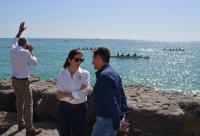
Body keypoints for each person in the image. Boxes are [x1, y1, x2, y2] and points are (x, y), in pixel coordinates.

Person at [10, 22, 42, 136]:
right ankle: (29, 129)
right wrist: (31, 51)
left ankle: (20, 123)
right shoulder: (26, 52)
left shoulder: (12, 48)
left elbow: (15, 39)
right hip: (23, 82)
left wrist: (20, 30)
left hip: (14, 80)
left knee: (19, 102)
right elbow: (35, 63)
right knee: (29, 104)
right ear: (25, 45)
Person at [91, 47, 129, 136]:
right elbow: (122, 95)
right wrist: (124, 114)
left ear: (98, 58)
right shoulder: (113, 72)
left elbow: (112, 102)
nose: (92, 62)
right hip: (110, 121)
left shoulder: (104, 76)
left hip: (105, 122)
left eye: (93, 58)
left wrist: (116, 124)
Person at [55, 49, 90, 136]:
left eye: (81, 60)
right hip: (64, 107)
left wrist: (66, 94)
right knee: (64, 132)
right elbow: (59, 96)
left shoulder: (85, 74)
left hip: (81, 107)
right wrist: (77, 93)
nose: (79, 62)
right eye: (77, 59)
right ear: (69, 60)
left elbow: (84, 93)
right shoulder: (61, 75)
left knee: (80, 133)